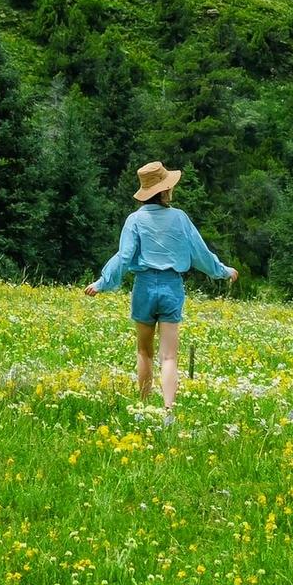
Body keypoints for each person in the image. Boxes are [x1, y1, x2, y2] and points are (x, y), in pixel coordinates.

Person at [84, 159, 237, 423]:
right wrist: (223, 271)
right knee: (169, 356)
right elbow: (199, 253)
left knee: (144, 351)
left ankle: (142, 407)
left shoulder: (134, 220)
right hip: (171, 287)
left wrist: (102, 282)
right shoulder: (180, 218)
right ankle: (168, 411)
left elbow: (124, 256)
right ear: (165, 191)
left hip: (143, 287)